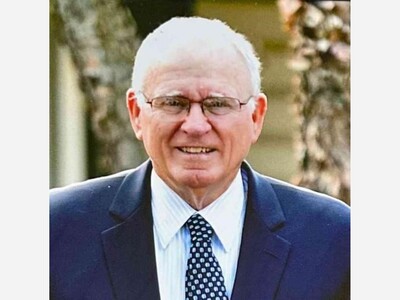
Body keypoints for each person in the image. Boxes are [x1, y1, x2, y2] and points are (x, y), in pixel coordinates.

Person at [50, 16, 350, 300]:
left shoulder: (335, 239)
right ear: (136, 113)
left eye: (218, 104)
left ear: (256, 116)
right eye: (173, 103)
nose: (195, 126)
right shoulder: (54, 232)